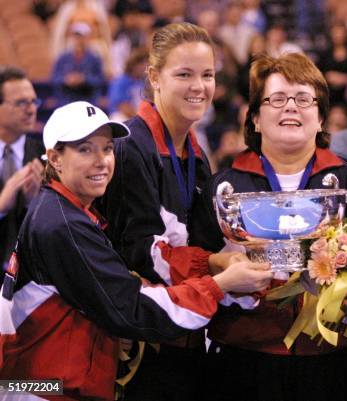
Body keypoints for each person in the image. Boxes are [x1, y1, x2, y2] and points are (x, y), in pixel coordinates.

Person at [0, 101, 273, 401]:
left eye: (106, 149)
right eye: (85, 150)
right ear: (55, 158)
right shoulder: (62, 223)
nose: (102, 161)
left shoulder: (63, 210)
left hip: (37, 384)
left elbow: (104, 295)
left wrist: (209, 264)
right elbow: (132, 309)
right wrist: (219, 285)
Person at [196, 52, 347, 401]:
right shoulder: (222, 188)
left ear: (320, 118)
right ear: (254, 118)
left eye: (304, 99)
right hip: (243, 362)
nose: (291, 108)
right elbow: (195, 264)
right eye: (277, 99)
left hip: (331, 361)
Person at [99, 22, 237, 400]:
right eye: (184, 75)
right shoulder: (130, 148)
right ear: (155, 77)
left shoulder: (195, 154)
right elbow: (137, 253)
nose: (199, 87)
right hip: (142, 346)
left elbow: (203, 237)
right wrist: (216, 269)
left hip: (186, 334)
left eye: (207, 75)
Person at [0, 67, 44, 269]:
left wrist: (33, 205)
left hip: (29, 275)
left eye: (33, 101)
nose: (31, 109)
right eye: (21, 103)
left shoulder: (46, 157)